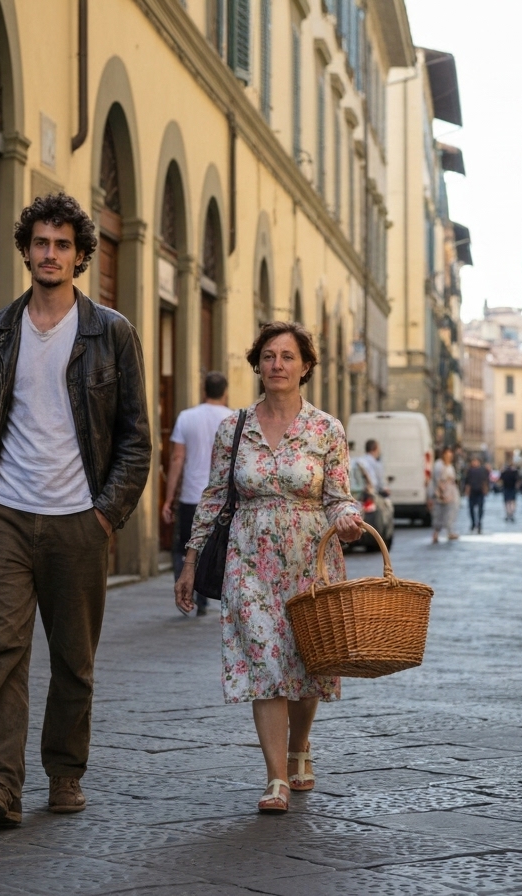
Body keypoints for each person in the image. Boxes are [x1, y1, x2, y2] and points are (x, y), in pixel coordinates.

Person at [0, 192, 152, 826]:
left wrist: (104, 514)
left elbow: (136, 438)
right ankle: (1, 782)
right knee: (1, 650)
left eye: (63, 244)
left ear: (81, 255)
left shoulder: (110, 332)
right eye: (41, 242)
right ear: (26, 250)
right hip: (2, 512)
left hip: (77, 519)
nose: (50, 253)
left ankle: (64, 771)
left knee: (73, 659)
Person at [173, 322, 362, 814]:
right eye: (269, 356)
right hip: (248, 560)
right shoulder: (233, 427)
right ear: (257, 364)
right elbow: (214, 499)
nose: (277, 364)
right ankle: (276, 777)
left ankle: (301, 746)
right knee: (264, 662)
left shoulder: (327, 429)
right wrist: (190, 561)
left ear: (305, 367)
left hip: (311, 560)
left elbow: (338, 497)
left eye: (288, 356)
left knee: (306, 662)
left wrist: (348, 520)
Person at [162, 371, 233, 616]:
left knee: (184, 547)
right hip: (221, 500)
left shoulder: (186, 417)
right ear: (225, 392)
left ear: (204, 390)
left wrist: (169, 498)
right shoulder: (234, 418)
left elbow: (177, 458)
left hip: (192, 495)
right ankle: (203, 597)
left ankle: (185, 594)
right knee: (212, 547)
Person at [431, 447, 460, 543]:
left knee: (450, 513)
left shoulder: (450, 466)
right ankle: (436, 533)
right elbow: (438, 480)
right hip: (442, 493)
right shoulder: (439, 465)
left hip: (451, 492)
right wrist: (441, 492)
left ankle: (450, 531)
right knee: (439, 513)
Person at [464, 456, 490, 534]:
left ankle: (479, 523)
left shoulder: (483, 470)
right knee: (471, 509)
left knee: (480, 509)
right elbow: (467, 481)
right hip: (472, 491)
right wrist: (467, 490)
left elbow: (486, 480)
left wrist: (486, 489)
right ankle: (473, 523)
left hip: (480, 491)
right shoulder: (469, 470)